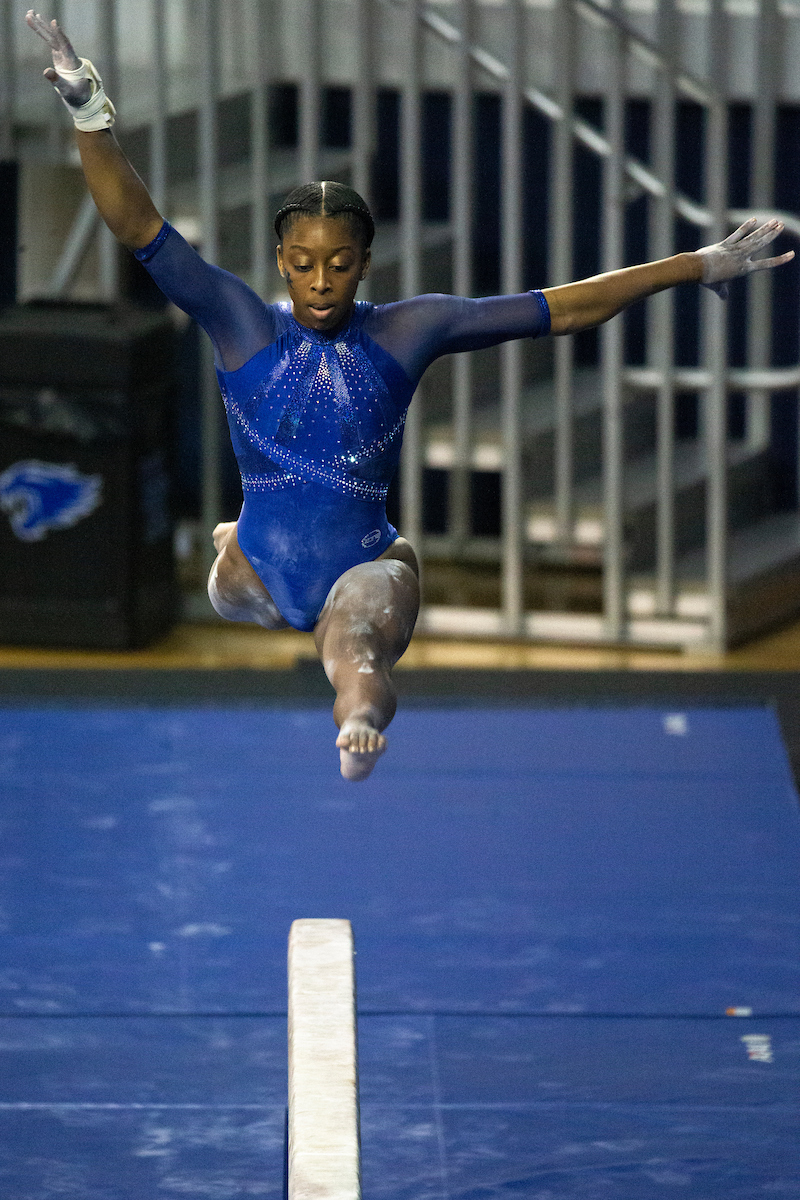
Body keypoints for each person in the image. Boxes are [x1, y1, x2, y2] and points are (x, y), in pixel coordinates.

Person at [27, 11, 795, 781]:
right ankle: (235, 541)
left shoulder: (409, 330)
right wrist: (87, 107)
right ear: (280, 261)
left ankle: (357, 718)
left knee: (357, 642)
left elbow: (561, 308)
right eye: (302, 263)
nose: (320, 282)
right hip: (254, 576)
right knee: (237, 579)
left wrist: (697, 263)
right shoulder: (240, 324)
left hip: (361, 564)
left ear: (365, 262)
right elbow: (138, 225)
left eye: (338, 263)